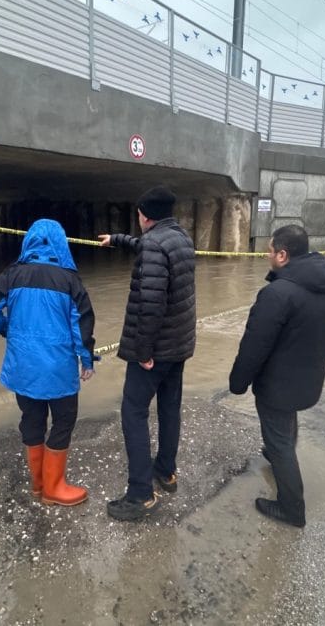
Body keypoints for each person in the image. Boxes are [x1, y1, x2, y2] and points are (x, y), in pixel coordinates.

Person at [229, 224, 325, 528]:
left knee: (279, 441)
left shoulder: (277, 294)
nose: (267, 255)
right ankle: (278, 454)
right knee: (284, 430)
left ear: (282, 255)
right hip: (309, 379)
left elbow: (254, 345)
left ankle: (292, 509)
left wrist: (238, 382)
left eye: (269, 250)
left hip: (277, 386)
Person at [0, 219, 96, 506]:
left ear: (28, 242)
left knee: (31, 419)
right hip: (58, 369)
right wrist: (86, 360)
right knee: (63, 421)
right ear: (60, 243)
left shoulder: (11, 275)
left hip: (23, 368)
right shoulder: (70, 281)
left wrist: (7, 328)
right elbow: (82, 326)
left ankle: (39, 485)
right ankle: (55, 488)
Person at [97, 186, 196, 521]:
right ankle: (166, 472)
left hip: (155, 349)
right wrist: (118, 240)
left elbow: (151, 304)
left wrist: (142, 352)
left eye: (139, 214)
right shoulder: (180, 237)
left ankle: (141, 494)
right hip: (179, 345)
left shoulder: (155, 243)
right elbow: (149, 249)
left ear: (145, 215)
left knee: (133, 412)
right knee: (169, 408)